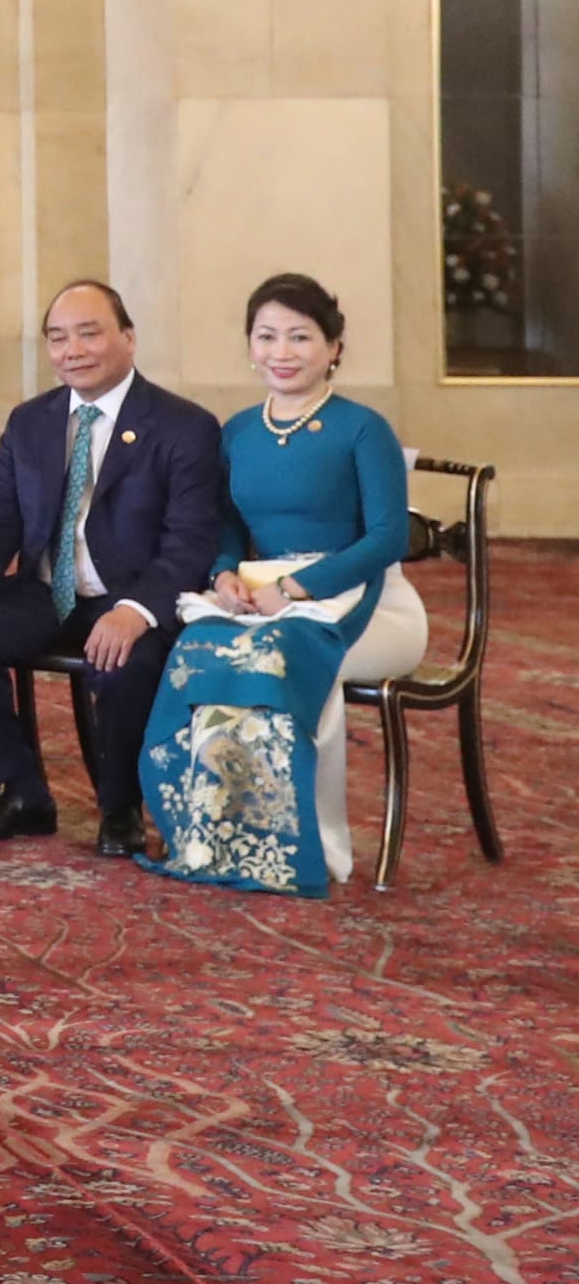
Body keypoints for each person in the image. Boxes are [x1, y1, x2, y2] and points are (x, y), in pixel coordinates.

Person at [141, 274, 425, 895]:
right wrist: (221, 575)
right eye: (267, 336)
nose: (282, 352)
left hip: (365, 601)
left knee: (277, 655)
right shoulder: (239, 430)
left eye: (300, 337)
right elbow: (227, 525)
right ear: (250, 346)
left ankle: (301, 848)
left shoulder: (362, 428)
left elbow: (388, 537)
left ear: (334, 347)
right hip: (264, 596)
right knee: (196, 650)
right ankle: (211, 833)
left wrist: (296, 589)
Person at [0, 280, 226, 855]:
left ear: (129, 338)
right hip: (48, 590)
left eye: (89, 333)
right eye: (58, 338)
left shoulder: (184, 426)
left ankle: (120, 809)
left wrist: (136, 611)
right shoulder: (32, 421)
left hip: (129, 595)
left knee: (123, 663)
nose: (73, 350)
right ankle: (22, 794)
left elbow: (190, 541)